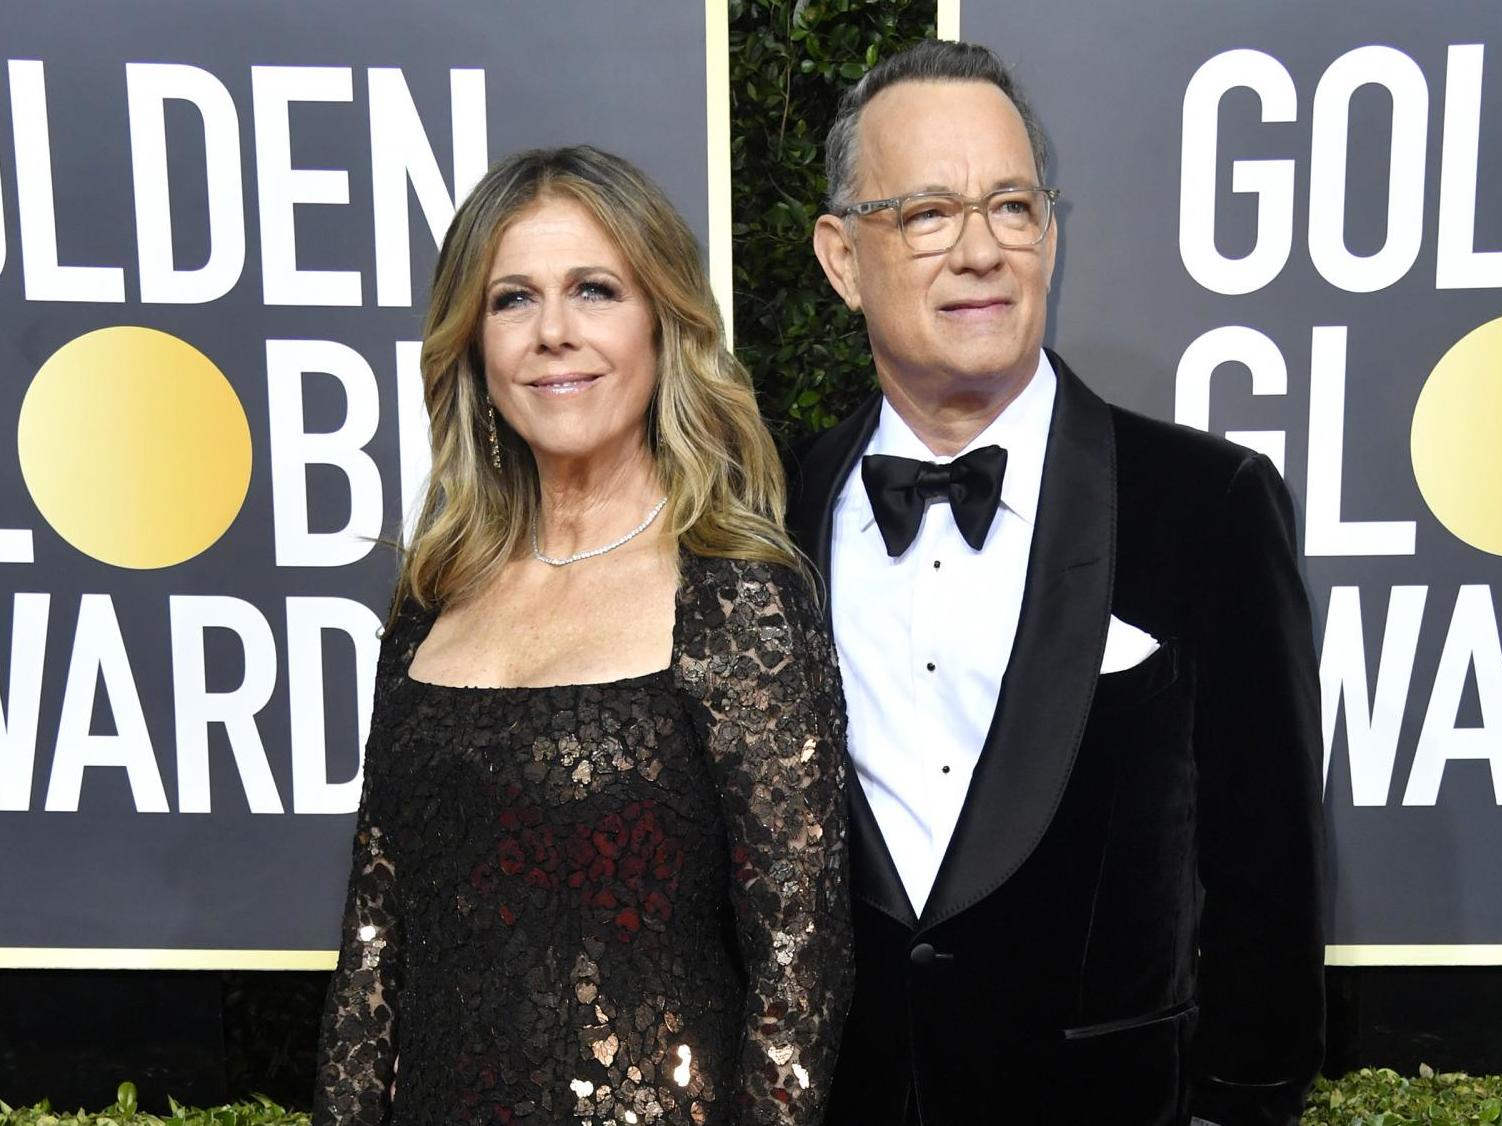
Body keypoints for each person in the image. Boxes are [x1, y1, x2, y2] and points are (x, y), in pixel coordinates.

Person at [794, 41, 1325, 1126]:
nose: (982, 250)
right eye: (929, 213)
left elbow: (1268, 872)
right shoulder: (771, 511)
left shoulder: (1207, 503)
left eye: (1014, 207)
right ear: (844, 257)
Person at [312, 146, 853, 1126]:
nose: (552, 333)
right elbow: (376, 938)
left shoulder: (740, 600)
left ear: (663, 321)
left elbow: (798, 966)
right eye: (513, 299)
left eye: (594, 290)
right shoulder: (434, 598)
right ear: (473, 342)